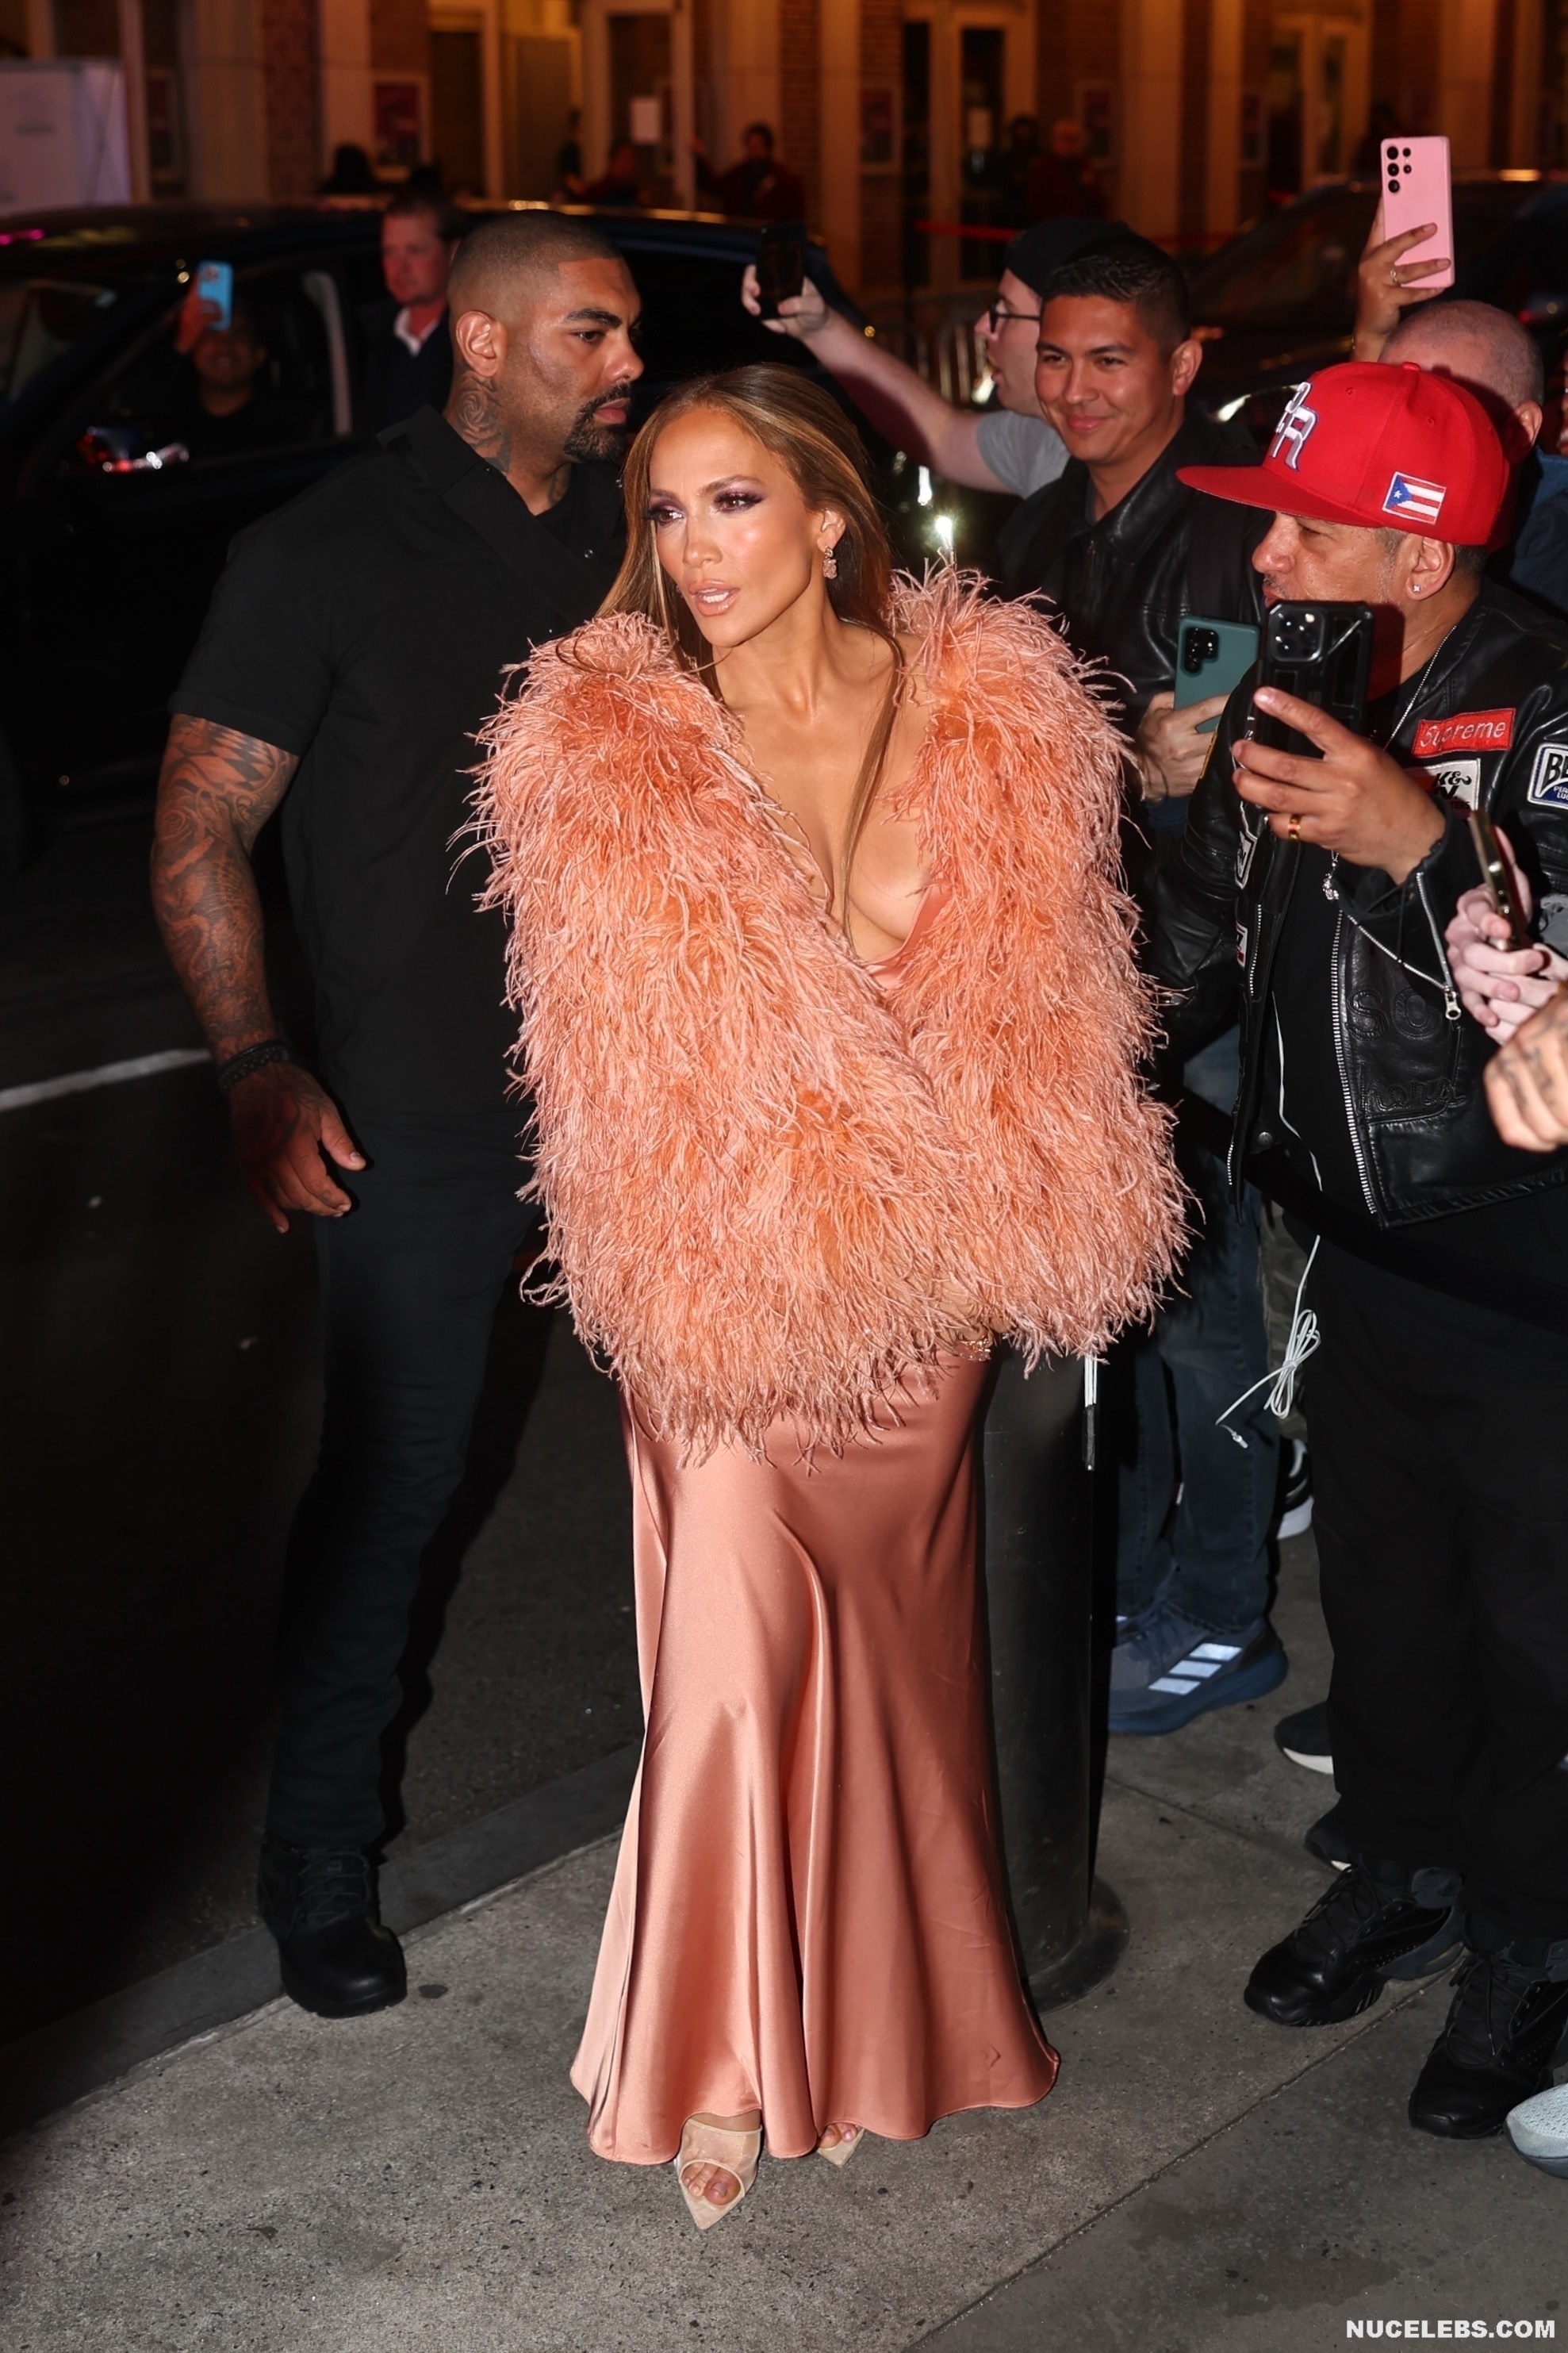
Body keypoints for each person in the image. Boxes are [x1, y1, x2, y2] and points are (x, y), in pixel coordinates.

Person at [474, 363, 1182, 2226]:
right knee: (727, 1655)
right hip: (728, 1282)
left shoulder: (991, 710)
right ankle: (717, 2052)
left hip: (932, 1280)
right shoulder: (609, 751)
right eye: (665, 512)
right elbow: (608, 1074)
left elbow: (1048, 1014)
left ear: (827, 514)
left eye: (732, 503)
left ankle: (862, 2021)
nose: (693, 550)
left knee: (887, 1663)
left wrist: (1006, 1222)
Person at [149, 213, 643, 2021]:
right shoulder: (323, 548)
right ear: (483, 342)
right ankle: (319, 1851)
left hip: (644, 1089)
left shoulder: (638, 530)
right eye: (591, 333)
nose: (626, 364)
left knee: (723, 1461)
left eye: (630, 334)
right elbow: (200, 819)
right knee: (395, 1485)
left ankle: (743, 1815)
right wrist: (253, 1061)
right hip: (417, 1112)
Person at [1151, 357, 1568, 2139]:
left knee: (1536, 1631)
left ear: (1417, 554)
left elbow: (1549, 992)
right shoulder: (1300, 678)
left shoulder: (1547, 699)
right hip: (1343, 1235)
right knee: (1382, 1598)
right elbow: (1202, 937)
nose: (1266, 558)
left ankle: (1530, 1942)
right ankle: (1401, 1863)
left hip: (1523, 1261)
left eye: (1306, 530)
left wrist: (1425, 849)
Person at [997, 232, 1282, 1734]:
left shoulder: (1236, 530)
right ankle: (1134, 1577)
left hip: (1202, 987)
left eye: (1110, 358)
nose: (1076, 386)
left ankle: (1224, 1614)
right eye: (1056, 354)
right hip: (1070, 974)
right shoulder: (1039, 526)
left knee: (1201, 1311)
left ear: (1182, 362)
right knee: (1116, 1304)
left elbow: (1232, 783)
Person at [742, 217, 1127, 506]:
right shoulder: (1046, 438)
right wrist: (819, 327)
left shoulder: (1145, 475)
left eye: (1004, 312)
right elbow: (941, 434)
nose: (982, 327)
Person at [1352, 210, 1568, 615]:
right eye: (1398, 405)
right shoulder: (1379, 513)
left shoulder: (1550, 572)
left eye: (1441, 414)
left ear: (1519, 431)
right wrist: (1368, 335)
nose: (1407, 433)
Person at [359, 190, 465, 432]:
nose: (400, 267)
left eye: (416, 250)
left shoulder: (473, 341)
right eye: (390, 252)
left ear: (453, 252)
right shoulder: (372, 334)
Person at [166, 292, 296, 460]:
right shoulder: (170, 417)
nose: (225, 346)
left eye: (238, 335)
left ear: (260, 355)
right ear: (193, 350)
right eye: (212, 334)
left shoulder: (287, 427)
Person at [695, 119, 807, 221]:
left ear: (767, 148)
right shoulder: (740, 174)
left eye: (757, 147)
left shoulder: (784, 179)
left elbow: (795, 215)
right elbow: (715, 186)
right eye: (750, 147)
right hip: (740, 231)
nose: (753, 152)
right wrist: (699, 158)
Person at [1026, 118, 1106, 224]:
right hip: (1057, 226)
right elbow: (1038, 204)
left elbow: (1098, 199)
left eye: (1074, 139)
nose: (1069, 145)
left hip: (1087, 224)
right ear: (1054, 141)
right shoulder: (1044, 168)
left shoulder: (1084, 165)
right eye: (1065, 139)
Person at [584, 138, 645, 207]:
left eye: (632, 160)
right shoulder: (596, 194)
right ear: (612, 161)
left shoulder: (635, 195)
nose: (629, 165)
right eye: (625, 159)